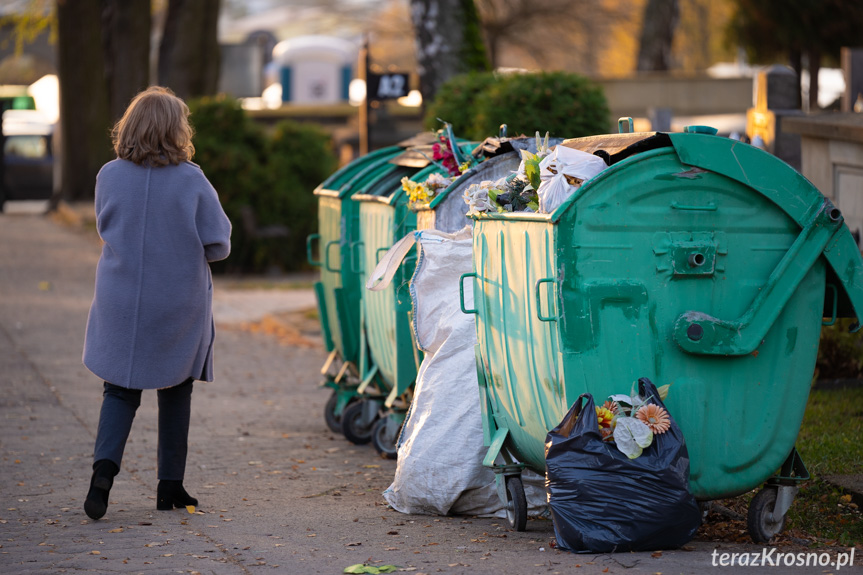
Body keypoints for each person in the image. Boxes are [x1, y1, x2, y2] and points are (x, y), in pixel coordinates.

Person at [81, 86, 232, 520]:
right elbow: (218, 243)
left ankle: (102, 476)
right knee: (176, 387)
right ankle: (170, 486)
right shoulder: (192, 179)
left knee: (119, 389)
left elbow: (105, 225)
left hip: (120, 298)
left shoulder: (108, 175)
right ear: (176, 129)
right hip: (175, 300)